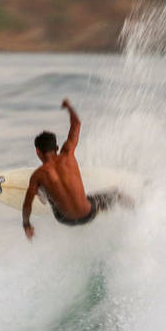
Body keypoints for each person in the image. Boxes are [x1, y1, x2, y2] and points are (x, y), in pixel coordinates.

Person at [22, 99, 131, 240]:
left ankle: (43, 193)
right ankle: (140, 209)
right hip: (88, 214)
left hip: (63, 219)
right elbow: (77, 124)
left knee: (44, 185)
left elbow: (26, 205)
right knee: (116, 195)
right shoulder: (67, 154)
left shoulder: (37, 175)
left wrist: (27, 226)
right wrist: (69, 108)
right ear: (56, 148)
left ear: (37, 151)